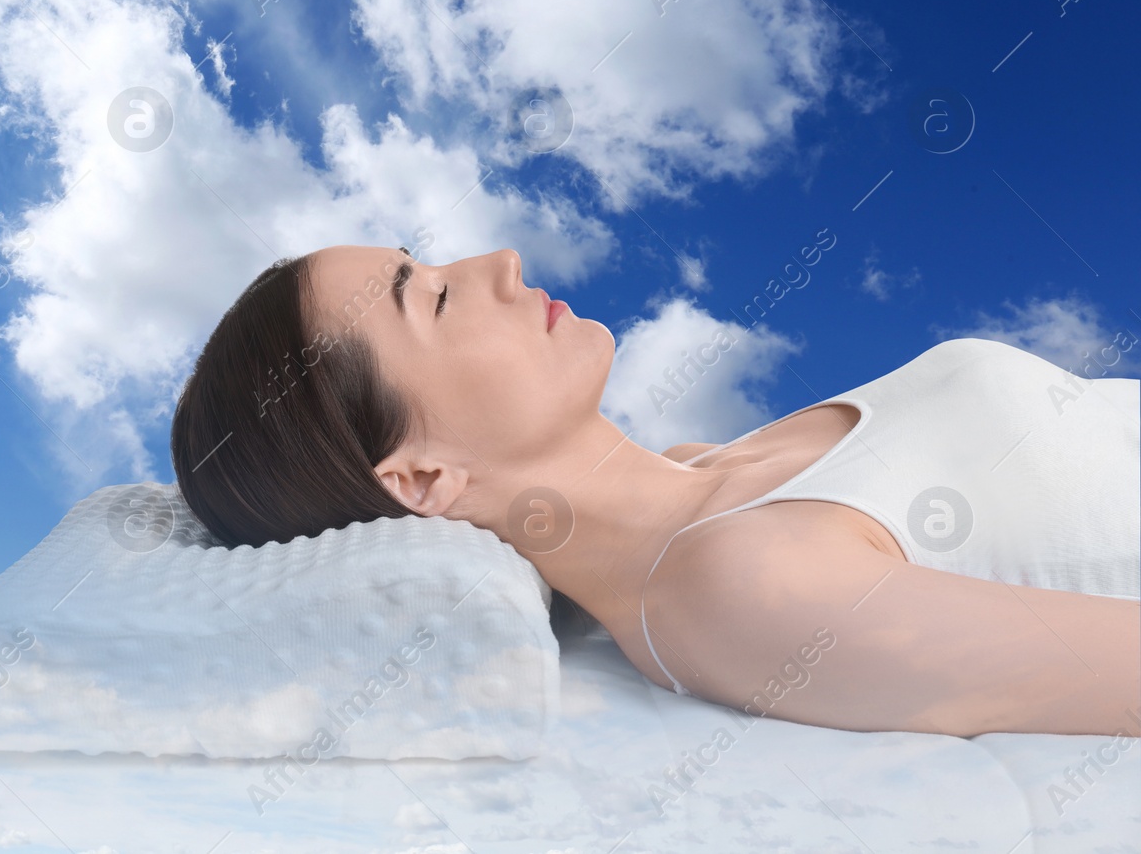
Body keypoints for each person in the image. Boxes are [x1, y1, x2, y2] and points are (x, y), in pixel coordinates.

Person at [170, 245, 1141, 737]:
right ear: (423, 475)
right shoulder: (734, 587)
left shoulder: (707, 464)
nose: (498, 262)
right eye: (431, 295)